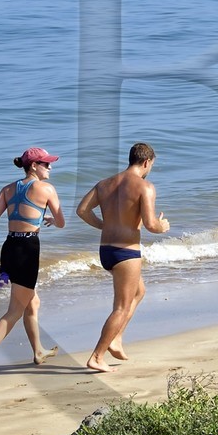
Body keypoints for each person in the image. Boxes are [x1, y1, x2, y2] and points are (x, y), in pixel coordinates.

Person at [75, 142, 169, 373]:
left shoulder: (104, 184)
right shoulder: (145, 187)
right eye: (151, 166)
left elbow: (82, 210)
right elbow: (149, 224)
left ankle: (116, 340)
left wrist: (104, 225)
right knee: (121, 307)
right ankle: (97, 356)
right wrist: (162, 226)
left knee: (139, 291)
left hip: (106, 250)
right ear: (146, 162)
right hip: (127, 251)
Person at [0, 147, 65, 377]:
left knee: (32, 302)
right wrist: (50, 220)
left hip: (9, 247)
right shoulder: (46, 189)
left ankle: (38, 351)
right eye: (46, 164)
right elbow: (61, 221)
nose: (50, 167)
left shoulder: (7, 189)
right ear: (34, 165)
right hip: (27, 248)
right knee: (15, 309)